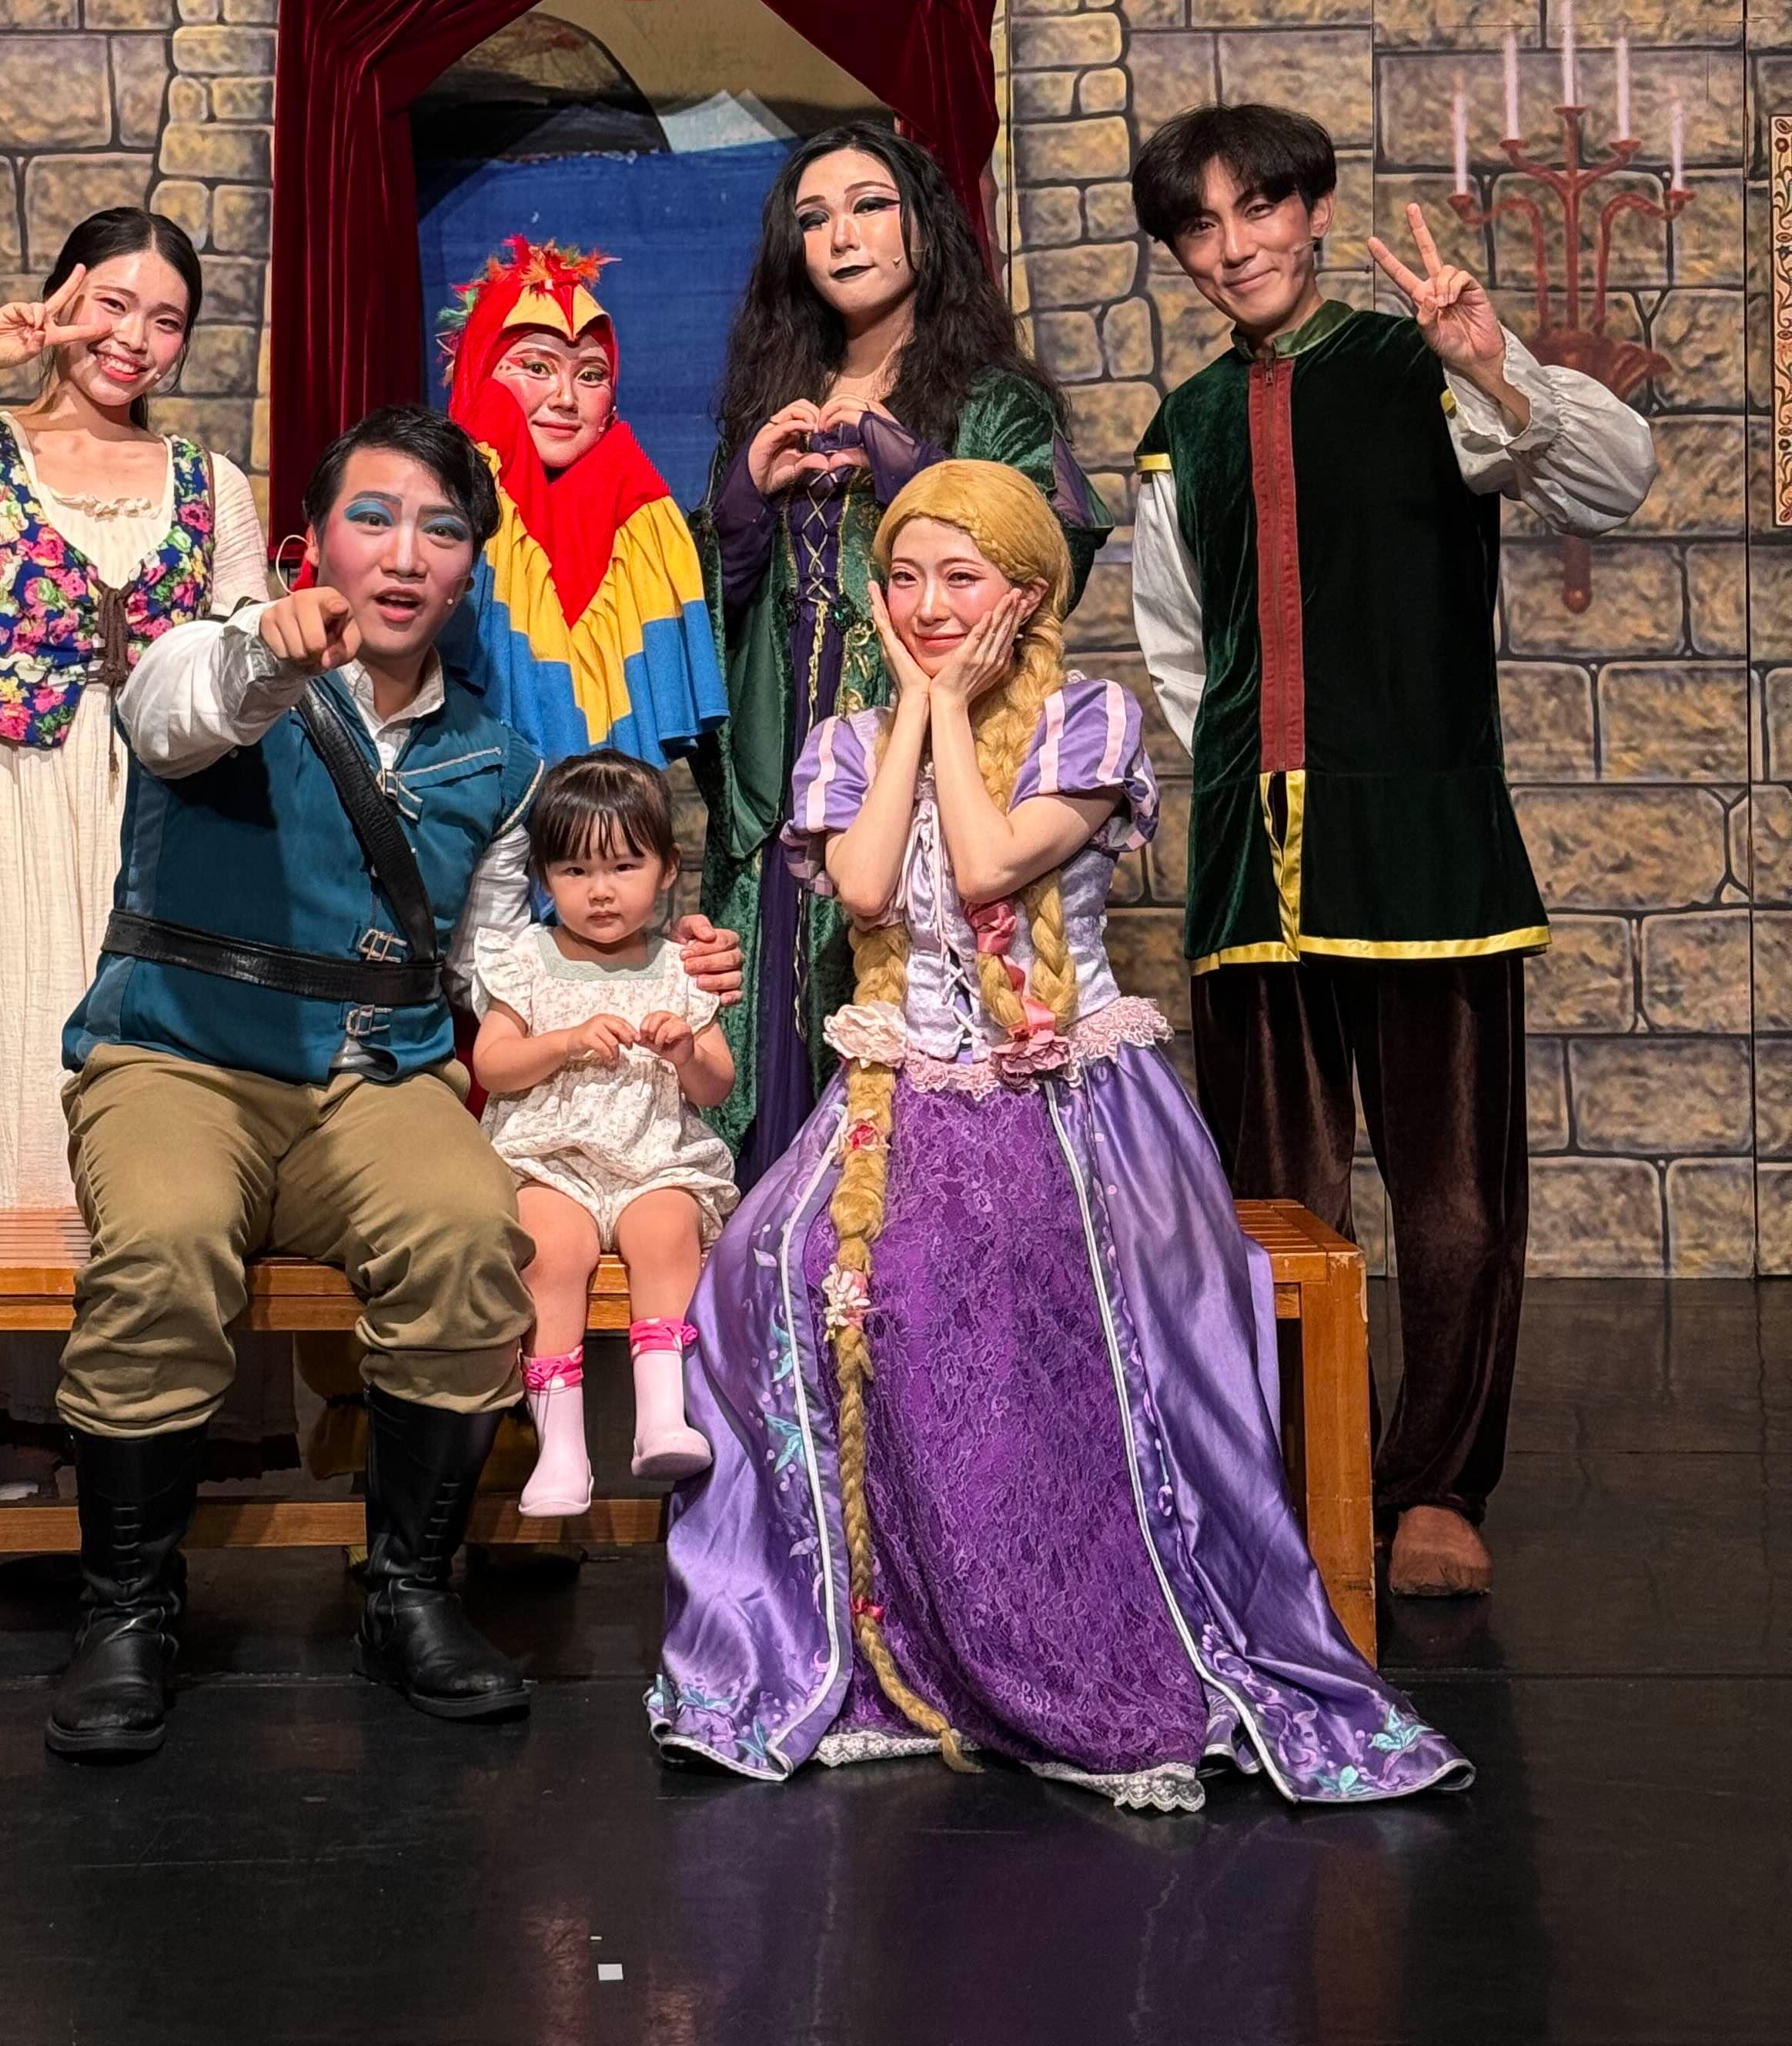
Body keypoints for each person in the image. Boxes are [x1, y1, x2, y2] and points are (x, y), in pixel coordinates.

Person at [650, 460, 1468, 1806]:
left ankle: (1071, 1631)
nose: (926, 604)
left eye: (958, 578)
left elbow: (984, 869)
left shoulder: (1089, 720)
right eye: (903, 577)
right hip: (900, 1083)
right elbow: (864, 886)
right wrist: (916, 712)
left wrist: (945, 706)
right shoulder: (848, 742)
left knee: (1011, 1280)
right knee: (765, 1273)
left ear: (1024, 594)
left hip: (1065, 1094)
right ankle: (874, 1631)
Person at [44, 403, 743, 1763]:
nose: (405, 552)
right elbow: (174, 716)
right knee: (166, 1241)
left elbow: (494, 962)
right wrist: (267, 648)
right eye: (373, 518)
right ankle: (126, 1610)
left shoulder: (498, 761)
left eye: (440, 529)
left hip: (371, 1078)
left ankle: (408, 1590)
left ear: (470, 567)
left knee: (468, 1231)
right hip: (177, 1056)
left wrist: (660, 957)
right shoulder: (209, 656)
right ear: (314, 540)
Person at [1128, 104, 1658, 1600]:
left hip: (1428, 842)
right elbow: (1183, 652)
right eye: (1199, 226)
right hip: (1256, 863)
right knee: (1271, 1201)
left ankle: (1434, 1485)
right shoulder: (1181, 427)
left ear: (1313, 210)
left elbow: (1612, 480)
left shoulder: (1423, 362)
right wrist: (1242, 777)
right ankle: (1310, 1481)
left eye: (1257, 209)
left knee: (1455, 1198)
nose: (1233, 247)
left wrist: (1488, 360)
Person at [0, 209, 291, 1471]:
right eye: (111, 302)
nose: (134, 337)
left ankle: (155, 1430)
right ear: (62, 296)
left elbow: (246, 655)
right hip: (11, 818)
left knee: (158, 1101)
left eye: (166, 320)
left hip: (170, 825)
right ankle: (18, 1432)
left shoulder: (210, 485)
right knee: (16, 1086)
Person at [700, 119, 1105, 1180]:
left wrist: (916, 471)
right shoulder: (772, 400)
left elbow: (1052, 554)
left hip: (932, 753)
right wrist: (742, 499)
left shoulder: (992, 402)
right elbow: (717, 602)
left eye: (870, 205)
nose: (841, 235)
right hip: (791, 755)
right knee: (776, 1029)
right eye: (813, 218)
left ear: (924, 225)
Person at [473, 751, 738, 1514]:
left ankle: (661, 1415)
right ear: (543, 877)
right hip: (554, 1163)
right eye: (575, 870)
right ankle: (560, 1450)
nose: (599, 890)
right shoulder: (528, 959)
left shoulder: (680, 967)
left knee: (668, 1229)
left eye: (624, 866)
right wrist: (561, 1043)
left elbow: (718, 1084)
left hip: (655, 1159)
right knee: (551, 1252)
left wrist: (686, 1053)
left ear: (666, 870)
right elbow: (492, 1063)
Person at [440, 236, 725, 770]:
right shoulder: (427, 496)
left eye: (591, 375)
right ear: (480, 372)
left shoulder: (642, 519)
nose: (567, 399)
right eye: (536, 367)